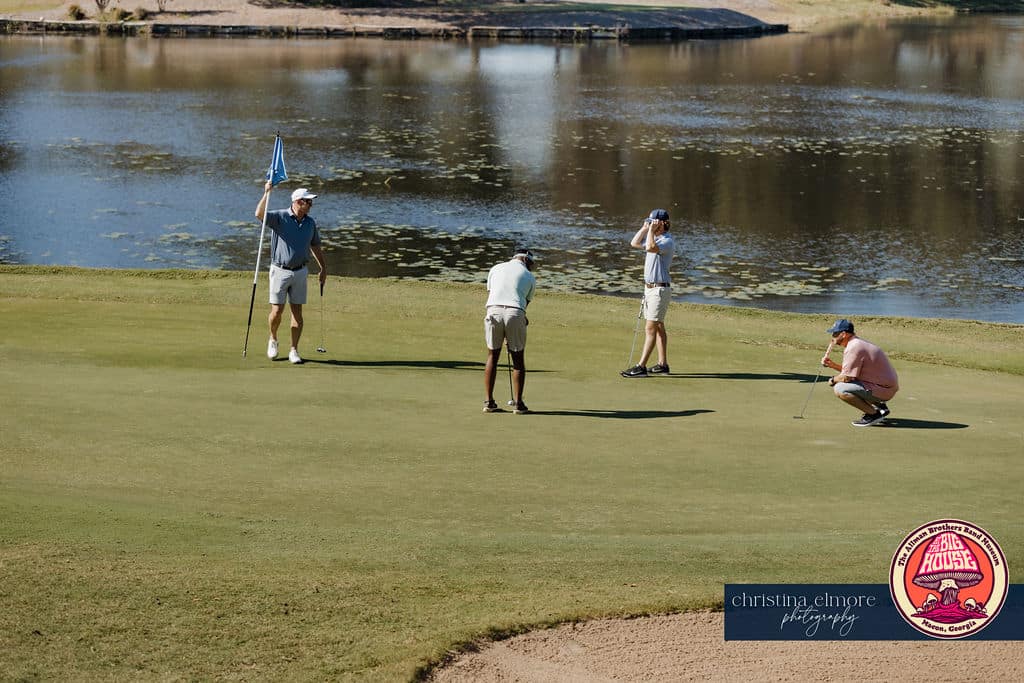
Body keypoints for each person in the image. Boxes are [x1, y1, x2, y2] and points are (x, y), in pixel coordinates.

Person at [255, 183, 327, 364]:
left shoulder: (310, 223)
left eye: (311, 202)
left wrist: (323, 268)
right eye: (308, 201)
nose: (311, 204)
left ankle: (294, 349)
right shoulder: (280, 217)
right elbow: (259, 214)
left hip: (301, 271)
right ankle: (273, 339)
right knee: (277, 311)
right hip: (279, 270)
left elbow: (315, 245)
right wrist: (266, 193)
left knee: (297, 312)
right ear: (297, 201)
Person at [622, 208, 676, 378]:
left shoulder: (666, 241)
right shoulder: (656, 238)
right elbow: (634, 243)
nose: (651, 224)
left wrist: (651, 232)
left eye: (653, 222)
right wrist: (645, 229)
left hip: (659, 289)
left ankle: (641, 367)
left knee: (650, 327)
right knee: (658, 327)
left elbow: (651, 247)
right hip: (651, 288)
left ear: (662, 223)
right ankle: (662, 364)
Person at [483, 249, 536, 414]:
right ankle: (519, 404)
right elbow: (522, 306)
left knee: (493, 355)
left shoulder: (496, 268)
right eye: (532, 264)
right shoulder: (529, 276)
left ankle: (489, 402)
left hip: (493, 312)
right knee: (518, 359)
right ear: (527, 260)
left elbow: (495, 295)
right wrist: (513, 327)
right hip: (515, 313)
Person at [821, 319, 899, 427]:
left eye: (835, 334)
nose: (832, 337)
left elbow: (847, 378)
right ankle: (880, 407)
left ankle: (874, 414)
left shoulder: (853, 347)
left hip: (884, 389)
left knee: (840, 388)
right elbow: (852, 373)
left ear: (843, 334)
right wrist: (832, 365)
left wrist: (832, 380)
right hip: (884, 386)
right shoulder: (856, 343)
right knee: (849, 383)